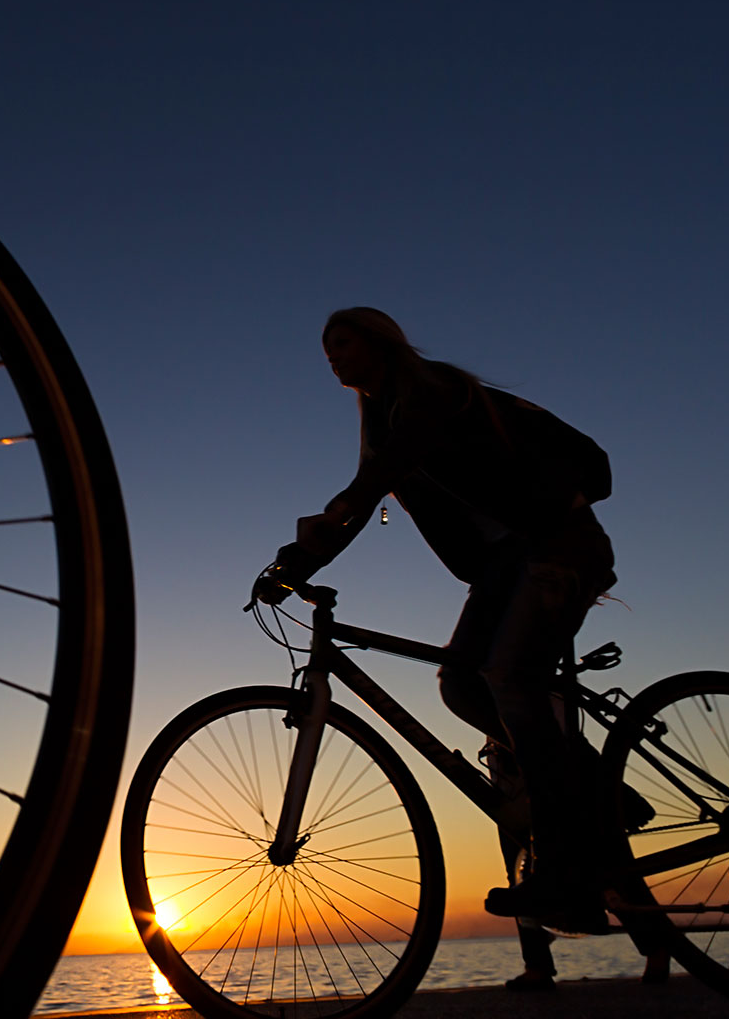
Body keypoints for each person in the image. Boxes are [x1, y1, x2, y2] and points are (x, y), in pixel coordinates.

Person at [252, 306, 620, 939]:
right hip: (507, 567)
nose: (332, 357)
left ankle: (569, 865)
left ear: (380, 343)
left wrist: (304, 549)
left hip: (559, 545)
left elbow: (372, 484)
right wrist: (294, 563)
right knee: (461, 683)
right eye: (326, 350)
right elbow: (365, 501)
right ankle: (592, 791)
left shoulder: (433, 394)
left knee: (509, 676)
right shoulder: (382, 424)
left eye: (342, 344)